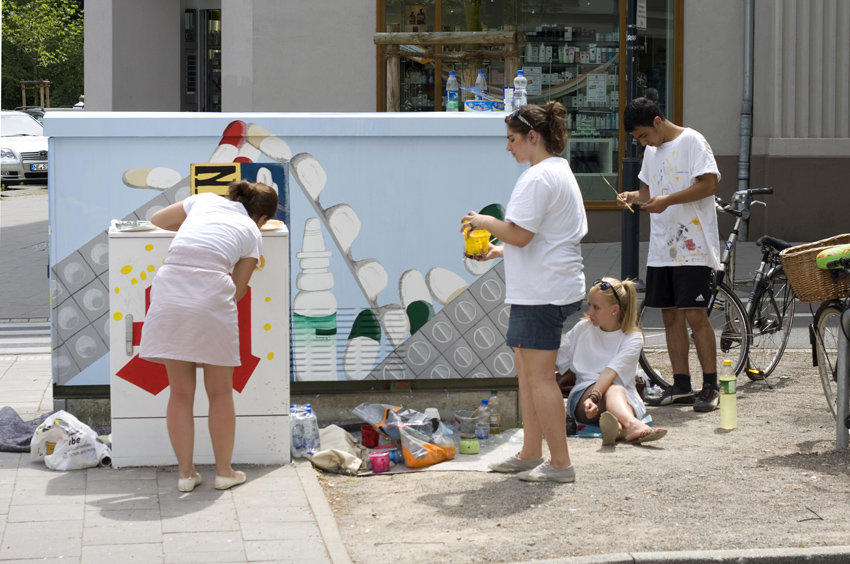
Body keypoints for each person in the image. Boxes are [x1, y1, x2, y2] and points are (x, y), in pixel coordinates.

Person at [462, 101, 587, 483]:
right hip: (550, 284)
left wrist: (485, 222)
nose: (508, 147)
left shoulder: (536, 178)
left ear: (532, 137)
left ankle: (561, 463)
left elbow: (521, 233)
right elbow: (540, 236)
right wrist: (501, 249)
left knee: (539, 378)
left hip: (541, 290)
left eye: (512, 139)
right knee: (528, 374)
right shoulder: (558, 170)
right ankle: (531, 452)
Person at [139, 180, 279, 492]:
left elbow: (158, 220)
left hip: (169, 291)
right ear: (263, 219)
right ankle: (225, 472)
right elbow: (239, 290)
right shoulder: (252, 232)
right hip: (211, 301)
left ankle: (186, 474)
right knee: (219, 393)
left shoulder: (203, 201)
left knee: (180, 393)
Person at [617, 97, 722, 412]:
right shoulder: (651, 151)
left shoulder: (693, 140)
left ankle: (711, 386)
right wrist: (633, 197)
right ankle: (681, 385)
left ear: (658, 121)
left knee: (695, 314)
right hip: (662, 247)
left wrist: (669, 200)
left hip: (693, 245)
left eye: (644, 135)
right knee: (670, 314)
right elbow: (650, 193)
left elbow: (710, 184)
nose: (644, 143)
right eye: (639, 139)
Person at [558, 277, 667, 446]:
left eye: (596, 307)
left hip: (622, 397)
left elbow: (610, 372)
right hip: (584, 395)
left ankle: (618, 430)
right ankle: (633, 425)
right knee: (614, 389)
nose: (589, 312)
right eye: (589, 305)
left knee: (615, 390)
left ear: (615, 309)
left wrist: (594, 397)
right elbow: (557, 360)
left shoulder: (633, 337)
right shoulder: (582, 328)